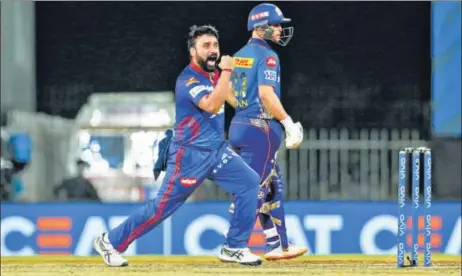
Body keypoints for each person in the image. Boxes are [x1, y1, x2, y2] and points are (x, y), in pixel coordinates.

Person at [93, 25, 262, 267]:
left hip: (216, 152)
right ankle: (110, 242)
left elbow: (232, 99)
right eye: (206, 46)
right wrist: (227, 71)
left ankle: (235, 247)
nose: (212, 50)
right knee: (161, 208)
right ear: (193, 52)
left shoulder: (215, 75)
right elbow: (212, 105)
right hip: (189, 156)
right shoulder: (188, 79)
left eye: (215, 45)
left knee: (249, 182)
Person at [226, 3, 307, 261]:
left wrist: (244, 111)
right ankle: (234, 246)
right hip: (261, 129)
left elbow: (227, 92)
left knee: (272, 185)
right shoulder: (268, 56)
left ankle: (277, 244)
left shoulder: (239, 55)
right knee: (255, 189)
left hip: (239, 126)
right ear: (260, 28)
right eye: (276, 25)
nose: (280, 30)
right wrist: (287, 122)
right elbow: (266, 93)